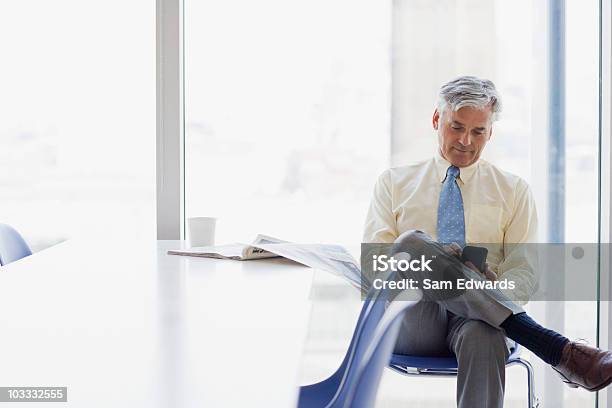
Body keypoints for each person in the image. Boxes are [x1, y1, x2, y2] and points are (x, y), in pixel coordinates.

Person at [363, 76, 612, 408]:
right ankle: (554, 348)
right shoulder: (393, 183)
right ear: (437, 120)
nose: (466, 140)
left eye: (478, 131)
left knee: (486, 333)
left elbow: (524, 274)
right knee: (412, 244)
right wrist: (435, 264)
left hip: (479, 323)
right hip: (415, 319)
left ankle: (516, 324)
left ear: (490, 132)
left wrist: (495, 285)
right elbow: (374, 266)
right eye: (456, 127)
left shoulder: (513, 191)